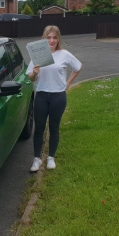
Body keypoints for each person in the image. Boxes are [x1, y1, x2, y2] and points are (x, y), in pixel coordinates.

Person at [26, 25, 82, 172]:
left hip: (58, 96)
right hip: (42, 95)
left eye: (54, 37)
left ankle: (51, 157)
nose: (51, 40)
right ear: (44, 39)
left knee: (54, 127)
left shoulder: (64, 54)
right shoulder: (37, 56)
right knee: (38, 128)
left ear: (58, 39)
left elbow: (78, 67)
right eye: (48, 37)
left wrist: (68, 83)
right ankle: (37, 159)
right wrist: (34, 72)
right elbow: (31, 78)